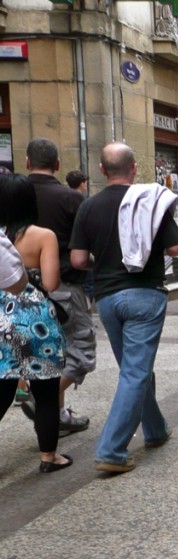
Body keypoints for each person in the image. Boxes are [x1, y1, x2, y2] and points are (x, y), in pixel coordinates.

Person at [69, 142, 178, 474]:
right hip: (145, 295)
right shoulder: (148, 204)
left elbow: (77, 259)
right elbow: (175, 247)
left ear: (102, 171)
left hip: (107, 298)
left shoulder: (88, 207)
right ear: (134, 169)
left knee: (134, 369)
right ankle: (112, 450)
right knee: (136, 371)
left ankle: (156, 429)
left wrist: (103, 263)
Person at [24, 138, 96, 436]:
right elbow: (87, 246)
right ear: (57, 165)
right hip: (65, 285)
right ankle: (43, 400)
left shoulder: (14, 195)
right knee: (81, 351)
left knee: (46, 352)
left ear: (27, 163)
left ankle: (57, 415)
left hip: (21, 288)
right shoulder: (72, 199)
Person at [0, 179, 71, 473]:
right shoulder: (43, 235)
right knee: (45, 390)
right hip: (35, 320)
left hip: (2, 318)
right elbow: (52, 283)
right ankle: (49, 457)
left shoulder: (2, 237)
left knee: (3, 385)